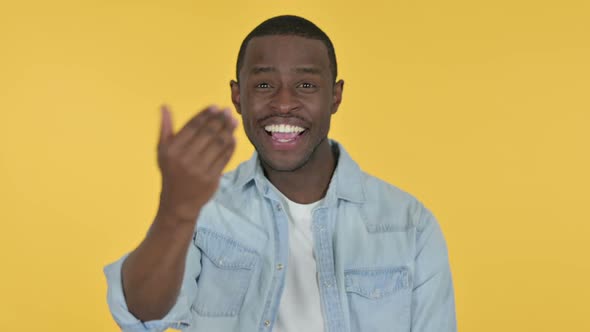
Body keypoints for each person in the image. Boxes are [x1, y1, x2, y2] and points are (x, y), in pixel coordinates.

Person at [104, 15, 456, 332]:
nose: (284, 103)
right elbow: (142, 316)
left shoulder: (410, 223)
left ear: (335, 96)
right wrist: (176, 209)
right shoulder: (203, 210)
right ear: (237, 96)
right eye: (263, 85)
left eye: (305, 85)